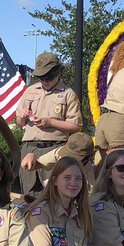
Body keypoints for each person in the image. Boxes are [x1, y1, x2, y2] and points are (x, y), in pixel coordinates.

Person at [15, 52, 81, 195]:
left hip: (54, 149)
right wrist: (22, 116)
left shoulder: (68, 94)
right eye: (41, 77)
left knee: (55, 195)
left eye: (48, 77)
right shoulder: (30, 91)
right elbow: (19, 123)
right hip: (29, 148)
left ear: (58, 72)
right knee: (29, 195)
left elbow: (76, 125)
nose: (45, 81)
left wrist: (51, 122)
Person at [18, 131, 96, 185]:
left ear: (87, 158)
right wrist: (31, 155)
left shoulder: (91, 173)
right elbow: (37, 164)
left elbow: (90, 197)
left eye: (73, 157)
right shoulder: (58, 154)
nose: (68, 159)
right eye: (67, 154)